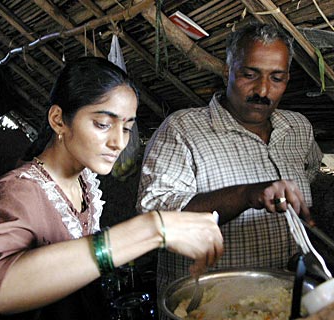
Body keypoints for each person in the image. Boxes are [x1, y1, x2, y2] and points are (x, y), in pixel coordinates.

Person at [0, 57, 224, 320]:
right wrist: (150, 229)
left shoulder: (84, 182)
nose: (119, 142)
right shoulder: (17, 193)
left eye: (127, 128)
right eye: (102, 124)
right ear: (58, 120)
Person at [136, 22, 323, 314]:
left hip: (282, 304)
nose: (263, 90)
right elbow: (154, 218)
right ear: (227, 70)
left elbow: (311, 170)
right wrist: (247, 195)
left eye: (277, 78)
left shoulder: (298, 129)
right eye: (250, 75)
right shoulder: (183, 129)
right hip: (203, 306)